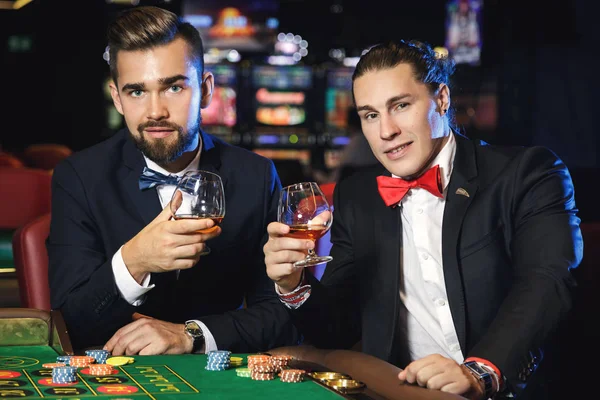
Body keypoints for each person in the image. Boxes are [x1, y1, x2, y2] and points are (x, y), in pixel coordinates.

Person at [264, 39, 582, 399]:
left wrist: (481, 370)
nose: (386, 131)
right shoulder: (358, 197)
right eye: (370, 115)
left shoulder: (527, 173)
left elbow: (547, 281)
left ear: (442, 99)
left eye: (400, 106)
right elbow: (337, 329)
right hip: (404, 390)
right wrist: (294, 284)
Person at [47, 6, 299, 355]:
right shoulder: (78, 177)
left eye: (173, 87)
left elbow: (282, 315)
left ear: (206, 90)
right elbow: (68, 324)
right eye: (136, 92)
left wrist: (192, 334)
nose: (155, 112)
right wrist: (135, 260)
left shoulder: (254, 174)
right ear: (117, 98)